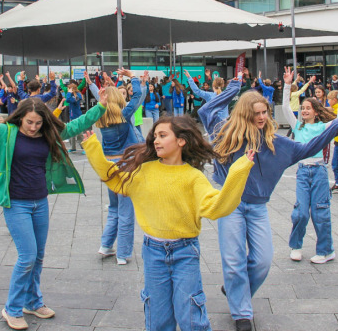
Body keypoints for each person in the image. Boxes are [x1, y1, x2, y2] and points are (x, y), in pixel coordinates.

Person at [0, 56, 108, 330]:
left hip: (40, 201)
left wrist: (102, 106)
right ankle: (11, 308)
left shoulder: (48, 133)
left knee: (38, 256)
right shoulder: (5, 133)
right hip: (17, 204)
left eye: (38, 123)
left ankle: (33, 302)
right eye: (29, 122)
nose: (33, 126)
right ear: (20, 117)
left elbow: (75, 125)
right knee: (26, 256)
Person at [198, 72, 338, 331]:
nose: (261, 117)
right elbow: (206, 109)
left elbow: (307, 149)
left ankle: (235, 290)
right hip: (229, 205)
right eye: (255, 112)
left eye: (265, 112)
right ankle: (242, 314)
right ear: (244, 114)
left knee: (263, 260)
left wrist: (335, 126)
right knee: (233, 263)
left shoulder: (276, 143)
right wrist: (234, 89)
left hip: (256, 208)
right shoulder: (225, 134)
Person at [82, 117, 254, 331]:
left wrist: (239, 171)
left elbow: (217, 207)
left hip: (185, 252)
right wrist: (93, 149)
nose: (156, 140)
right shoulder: (144, 171)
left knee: (191, 316)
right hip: (152, 252)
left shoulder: (193, 177)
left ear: (181, 141)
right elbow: (115, 179)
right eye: (155, 136)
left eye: (163, 135)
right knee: (158, 317)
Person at [282, 69, 338, 265]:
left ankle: (326, 251)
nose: (304, 111)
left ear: (316, 111)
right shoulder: (297, 126)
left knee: (320, 212)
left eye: (308, 108)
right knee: (300, 212)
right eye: (303, 108)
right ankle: (296, 246)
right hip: (302, 172)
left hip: (319, 171)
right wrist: (287, 85)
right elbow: (285, 107)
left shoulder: (321, 127)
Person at [96, 70, 144, 265]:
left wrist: (106, 87)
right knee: (126, 210)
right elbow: (138, 95)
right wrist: (131, 76)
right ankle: (123, 254)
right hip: (125, 165)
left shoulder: (101, 119)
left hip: (109, 166)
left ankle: (106, 245)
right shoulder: (124, 116)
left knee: (114, 208)